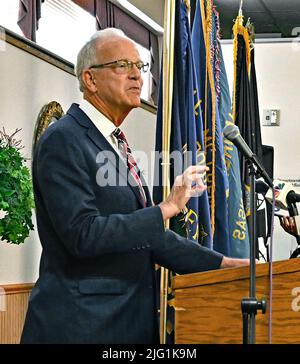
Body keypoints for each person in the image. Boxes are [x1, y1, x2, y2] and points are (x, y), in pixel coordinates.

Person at [21, 28, 249, 344]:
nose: (137, 77)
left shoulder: (115, 144)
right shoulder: (64, 139)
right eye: (122, 65)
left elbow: (147, 237)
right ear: (90, 80)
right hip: (81, 326)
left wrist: (223, 264)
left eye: (139, 67)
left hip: (127, 324)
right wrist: (165, 209)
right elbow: (82, 234)